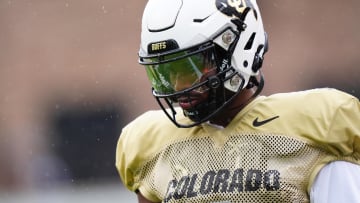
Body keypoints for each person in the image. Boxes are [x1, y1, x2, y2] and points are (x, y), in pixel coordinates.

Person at [115, 0, 360, 202]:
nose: (178, 86)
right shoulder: (151, 146)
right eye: (166, 72)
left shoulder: (317, 128)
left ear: (237, 47)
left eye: (190, 68)